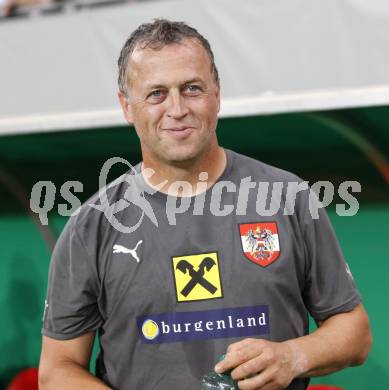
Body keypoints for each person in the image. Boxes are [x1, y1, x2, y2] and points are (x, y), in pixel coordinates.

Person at [38, 19, 372, 390]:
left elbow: (354, 333)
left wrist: (293, 357)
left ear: (217, 94)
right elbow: (57, 370)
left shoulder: (287, 197)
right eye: (156, 94)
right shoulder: (92, 225)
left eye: (192, 88)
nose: (177, 108)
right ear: (127, 106)